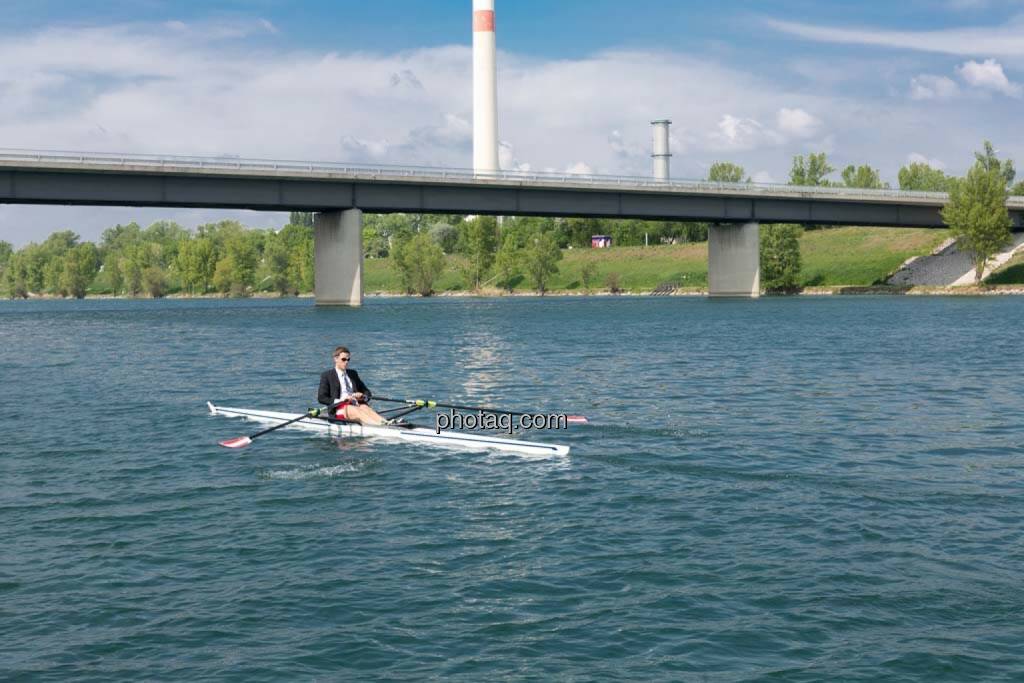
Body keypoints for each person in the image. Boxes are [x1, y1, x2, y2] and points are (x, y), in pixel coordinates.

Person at [317, 346, 389, 425]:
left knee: (365, 407)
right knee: (354, 409)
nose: (346, 362)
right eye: (343, 359)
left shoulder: (353, 373)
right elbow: (321, 398)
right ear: (336, 359)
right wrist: (342, 399)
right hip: (339, 407)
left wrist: (362, 396)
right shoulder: (327, 375)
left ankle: (386, 423)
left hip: (357, 404)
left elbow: (367, 392)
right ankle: (378, 426)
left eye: (348, 360)